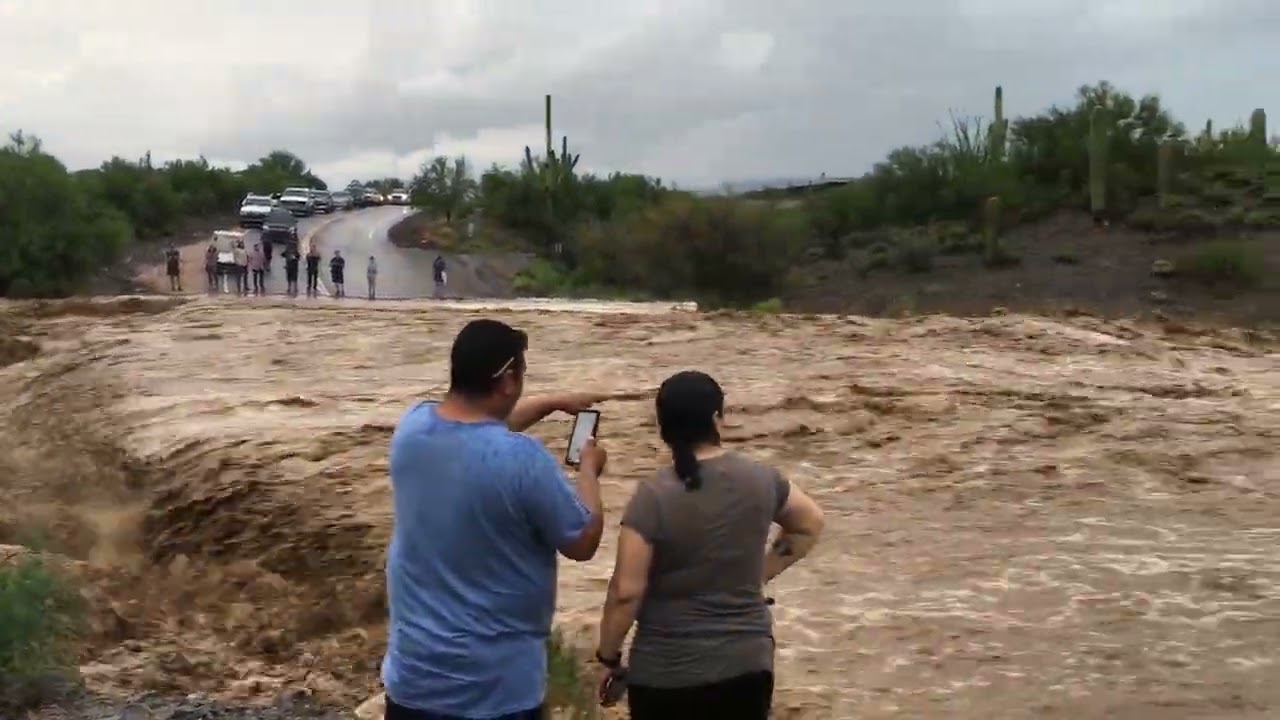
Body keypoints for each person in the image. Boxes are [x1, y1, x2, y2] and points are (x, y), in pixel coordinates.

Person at [382, 319, 610, 720]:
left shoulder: (412, 427)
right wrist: (588, 470)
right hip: (496, 692)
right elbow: (583, 539)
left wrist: (549, 402)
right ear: (508, 380)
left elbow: (478, 430)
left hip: (413, 682)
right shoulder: (523, 460)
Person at [593, 370, 825, 720]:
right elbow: (809, 524)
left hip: (665, 674)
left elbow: (626, 592)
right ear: (719, 417)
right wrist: (757, 576)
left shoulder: (652, 495)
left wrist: (608, 658)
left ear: (662, 427)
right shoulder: (762, 479)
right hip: (747, 666)